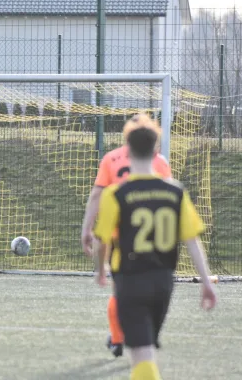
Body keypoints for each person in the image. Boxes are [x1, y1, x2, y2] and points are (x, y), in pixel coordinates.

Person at [93, 119, 217, 380]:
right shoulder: (175, 192)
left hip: (129, 280)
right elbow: (192, 241)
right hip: (163, 283)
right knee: (145, 350)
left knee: (142, 353)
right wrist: (206, 282)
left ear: (127, 148)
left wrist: (100, 270)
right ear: (156, 149)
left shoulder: (115, 194)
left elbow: (102, 240)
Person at [80, 113, 172, 357]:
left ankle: (119, 337)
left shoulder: (111, 159)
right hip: (152, 237)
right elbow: (168, 198)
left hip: (119, 234)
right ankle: (141, 335)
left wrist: (87, 228)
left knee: (120, 288)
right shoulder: (160, 162)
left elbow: (97, 195)